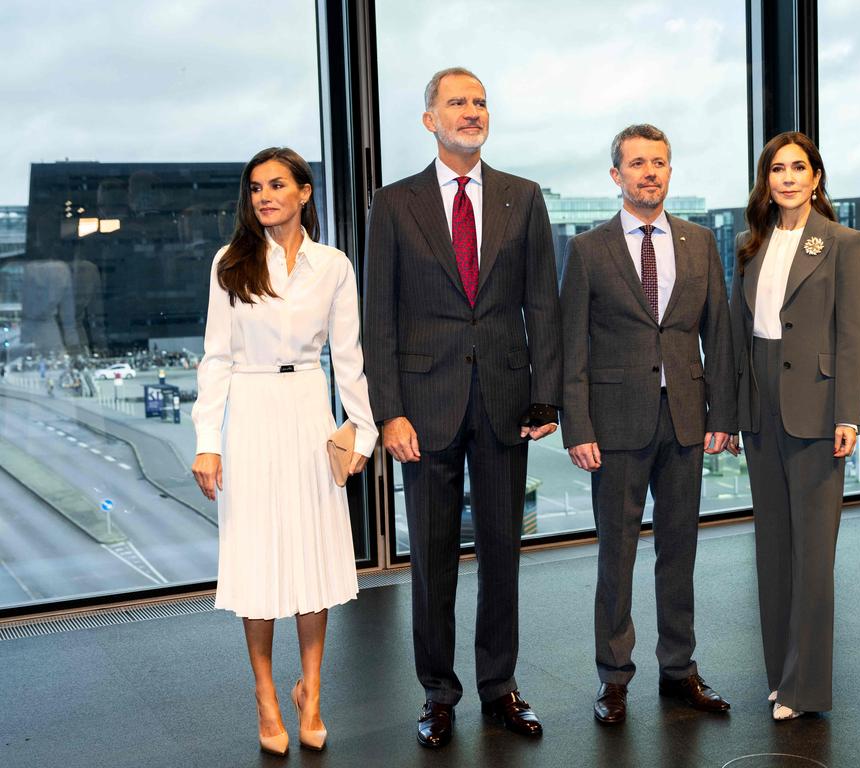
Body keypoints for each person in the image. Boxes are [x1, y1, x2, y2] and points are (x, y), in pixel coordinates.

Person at [363, 67, 561, 748]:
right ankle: (438, 694)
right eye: (456, 102)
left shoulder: (523, 197)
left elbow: (544, 304)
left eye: (479, 102)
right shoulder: (394, 204)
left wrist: (549, 393)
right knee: (433, 559)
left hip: (507, 402)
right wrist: (388, 409)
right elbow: (378, 318)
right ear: (430, 120)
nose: (470, 111)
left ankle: (499, 687)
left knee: (504, 551)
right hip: (424, 407)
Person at [191, 147, 377, 755]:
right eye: (254, 188)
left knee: (313, 559)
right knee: (259, 559)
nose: (263, 196)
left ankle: (312, 690)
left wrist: (362, 431)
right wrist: (207, 443)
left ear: (304, 192)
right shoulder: (230, 262)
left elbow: (348, 359)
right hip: (248, 413)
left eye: (276, 185)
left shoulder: (333, 266)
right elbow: (216, 359)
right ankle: (266, 694)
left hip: (307, 409)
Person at [560, 124, 737, 725]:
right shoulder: (588, 250)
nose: (650, 173)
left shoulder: (700, 243)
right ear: (617, 176)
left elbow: (721, 335)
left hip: (686, 421)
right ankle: (613, 679)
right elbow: (571, 348)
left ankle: (679, 669)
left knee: (679, 553)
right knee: (617, 556)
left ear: (669, 171)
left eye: (659, 163)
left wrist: (723, 414)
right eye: (637, 164)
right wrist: (577, 427)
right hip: (612, 427)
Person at [726, 131, 860, 720]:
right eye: (776, 169)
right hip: (761, 408)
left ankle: (806, 687)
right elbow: (737, 335)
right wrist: (732, 411)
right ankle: (780, 675)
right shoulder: (748, 244)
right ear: (767, 180)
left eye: (797, 168)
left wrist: (848, 416)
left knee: (813, 557)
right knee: (772, 551)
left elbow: (851, 335)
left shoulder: (842, 242)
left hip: (816, 408)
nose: (786, 178)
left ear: (816, 178)